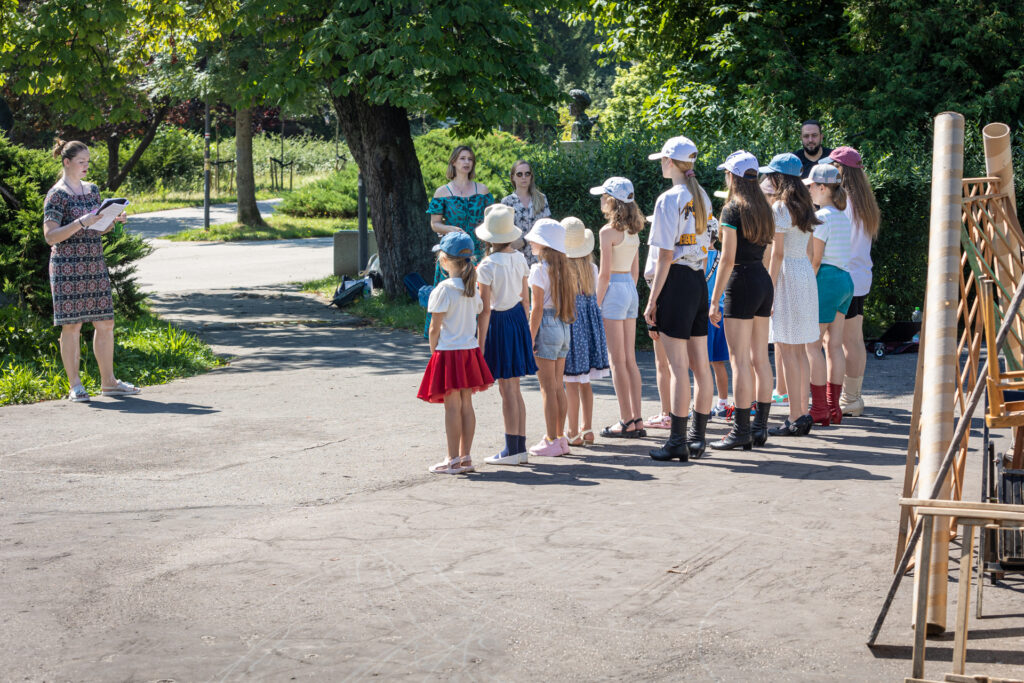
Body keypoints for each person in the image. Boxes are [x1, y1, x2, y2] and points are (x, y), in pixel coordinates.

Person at [42, 138, 138, 403]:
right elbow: (51, 236)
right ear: (67, 162)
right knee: (71, 326)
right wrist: (82, 221)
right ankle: (76, 386)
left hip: (93, 263)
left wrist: (111, 221)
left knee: (106, 322)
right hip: (67, 267)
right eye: (81, 162)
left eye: (88, 161)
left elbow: (97, 228)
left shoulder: (92, 190)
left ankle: (109, 382)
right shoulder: (56, 194)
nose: (86, 166)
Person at [643, 136, 715, 461]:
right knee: (701, 366)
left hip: (676, 281)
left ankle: (677, 441)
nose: (661, 164)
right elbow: (709, 244)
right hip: (698, 280)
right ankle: (696, 437)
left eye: (663, 159)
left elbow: (664, 255)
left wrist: (652, 300)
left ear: (670, 162)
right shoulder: (702, 196)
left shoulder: (667, 199)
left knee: (677, 368)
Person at [708, 151, 775, 450]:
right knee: (760, 358)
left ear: (732, 177)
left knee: (739, 362)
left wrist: (714, 300)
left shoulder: (732, 210)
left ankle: (741, 431)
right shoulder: (765, 208)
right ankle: (759, 428)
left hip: (742, 282)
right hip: (762, 279)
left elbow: (727, 259)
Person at [417, 232, 495, 474]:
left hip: (449, 354)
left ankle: (452, 458)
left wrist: (434, 353)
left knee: (451, 407)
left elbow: (433, 328)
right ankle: (466, 457)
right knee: (466, 404)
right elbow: (480, 313)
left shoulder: (443, 289)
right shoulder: (473, 289)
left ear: (443, 261)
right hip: (469, 352)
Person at [761, 153, 822, 436]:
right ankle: (801, 413)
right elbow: (809, 253)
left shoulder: (780, 208)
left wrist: (769, 290)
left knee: (787, 350)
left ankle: (795, 416)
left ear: (778, 178)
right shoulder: (806, 205)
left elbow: (778, 252)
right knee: (797, 351)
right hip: (804, 275)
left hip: (787, 275)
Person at [475, 204, 537, 466]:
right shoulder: (520, 258)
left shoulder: (486, 265)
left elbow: (485, 309)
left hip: (499, 322)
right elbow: (526, 299)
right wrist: (527, 332)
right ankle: (518, 446)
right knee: (515, 388)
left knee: (506, 390)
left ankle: (512, 450)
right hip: (518, 320)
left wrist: (480, 344)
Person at [824, 147, 881, 417]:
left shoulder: (842, 202)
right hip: (859, 275)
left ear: (841, 170)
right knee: (853, 340)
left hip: (841, 274)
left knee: (835, 342)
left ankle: (843, 398)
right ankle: (852, 397)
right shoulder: (865, 200)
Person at [591, 176, 645, 439]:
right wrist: (628, 292)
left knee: (617, 360)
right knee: (630, 359)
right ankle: (637, 417)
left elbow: (603, 274)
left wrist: (595, 303)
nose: (601, 200)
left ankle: (625, 419)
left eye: (604, 196)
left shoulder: (607, 232)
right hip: (629, 290)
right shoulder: (634, 231)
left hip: (614, 288)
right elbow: (635, 271)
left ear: (611, 201)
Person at [803, 163, 854, 426]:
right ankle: (834, 408)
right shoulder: (843, 216)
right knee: (833, 345)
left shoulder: (821, 218)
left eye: (811, 186)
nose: (809, 190)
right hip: (845, 281)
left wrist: (804, 289)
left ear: (823, 188)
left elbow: (815, 260)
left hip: (826, 279)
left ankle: (820, 408)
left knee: (812, 346)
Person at [425, 145, 494, 336]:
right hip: (453, 252)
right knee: (450, 298)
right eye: (462, 158)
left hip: (477, 252)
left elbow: (492, 221)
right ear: (453, 162)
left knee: (477, 297)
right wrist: (451, 229)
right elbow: (435, 224)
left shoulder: (482, 190)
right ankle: (445, 340)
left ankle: (477, 342)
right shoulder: (442, 192)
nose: (466, 163)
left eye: (470, 159)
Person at [525, 218, 578, 457]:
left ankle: (550, 438)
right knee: (559, 386)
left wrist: (529, 336)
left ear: (543, 244)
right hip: (563, 324)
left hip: (545, 325)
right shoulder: (566, 269)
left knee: (547, 388)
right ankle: (560, 438)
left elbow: (536, 308)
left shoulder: (538, 270)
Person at [561, 217, 609, 445]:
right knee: (585, 381)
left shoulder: (561, 269)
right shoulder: (591, 268)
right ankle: (587, 428)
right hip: (589, 325)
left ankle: (572, 431)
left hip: (571, 323)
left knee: (571, 381)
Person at [704, 230, 733, 421]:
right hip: (722, 308)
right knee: (718, 361)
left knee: (702, 363)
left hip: (705, 309)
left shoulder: (700, 257)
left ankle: (703, 407)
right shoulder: (723, 256)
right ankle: (722, 403)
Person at [501, 159, 551, 266]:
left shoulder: (541, 198)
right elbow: (504, 235)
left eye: (527, 174)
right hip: (515, 259)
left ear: (531, 177)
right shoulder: (507, 202)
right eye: (519, 174)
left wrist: (524, 240)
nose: (524, 177)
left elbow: (547, 228)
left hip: (539, 258)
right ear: (513, 177)